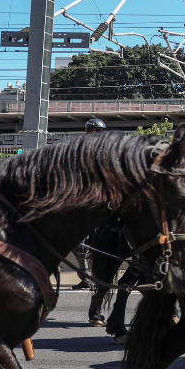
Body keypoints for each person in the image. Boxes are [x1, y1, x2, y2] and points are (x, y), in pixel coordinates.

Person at [71, 117, 108, 290]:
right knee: (78, 244)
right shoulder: (80, 150)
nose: (99, 134)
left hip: (103, 201)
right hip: (83, 203)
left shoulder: (106, 151)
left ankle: (103, 277)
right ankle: (86, 277)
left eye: (101, 131)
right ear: (89, 131)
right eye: (97, 131)